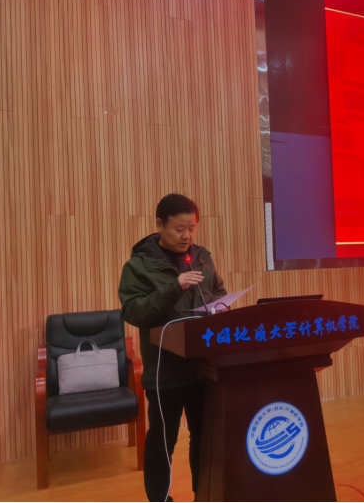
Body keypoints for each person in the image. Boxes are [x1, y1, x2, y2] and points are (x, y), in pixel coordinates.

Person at [118, 194, 227, 502]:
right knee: (162, 442)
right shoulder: (139, 266)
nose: (187, 236)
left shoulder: (202, 257)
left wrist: (221, 307)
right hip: (165, 370)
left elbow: (218, 291)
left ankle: (204, 494)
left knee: (204, 438)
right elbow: (134, 311)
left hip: (204, 367)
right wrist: (174, 286)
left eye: (192, 228)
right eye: (180, 229)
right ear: (160, 225)